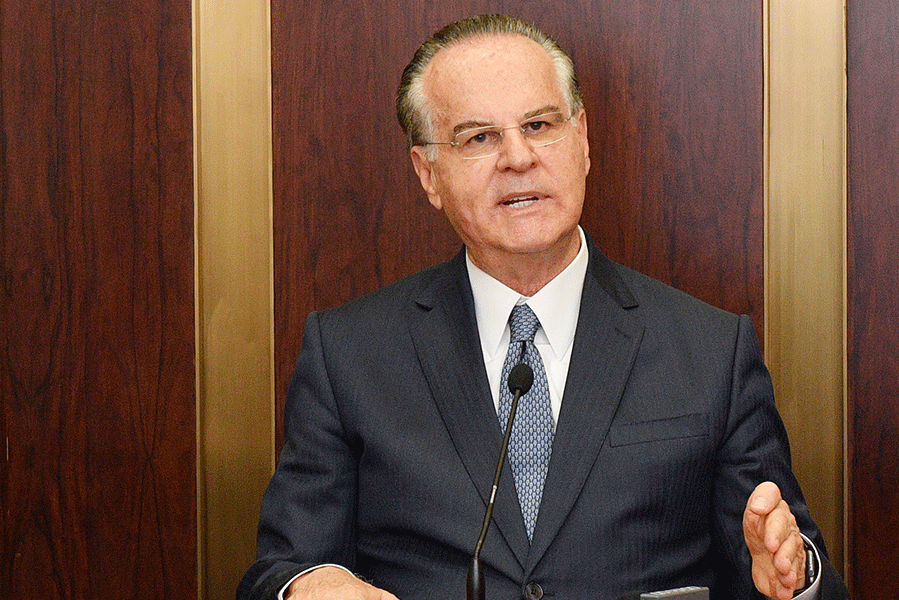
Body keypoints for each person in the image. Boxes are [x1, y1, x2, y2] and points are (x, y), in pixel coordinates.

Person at [238, 14, 849, 600]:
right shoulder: (348, 355)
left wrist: (794, 581)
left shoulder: (712, 350)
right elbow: (281, 570)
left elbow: (788, 564)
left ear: (581, 140)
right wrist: (306, 587)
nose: (518, 158)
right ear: (428, 174)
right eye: (479, 137)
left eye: (538, 125)